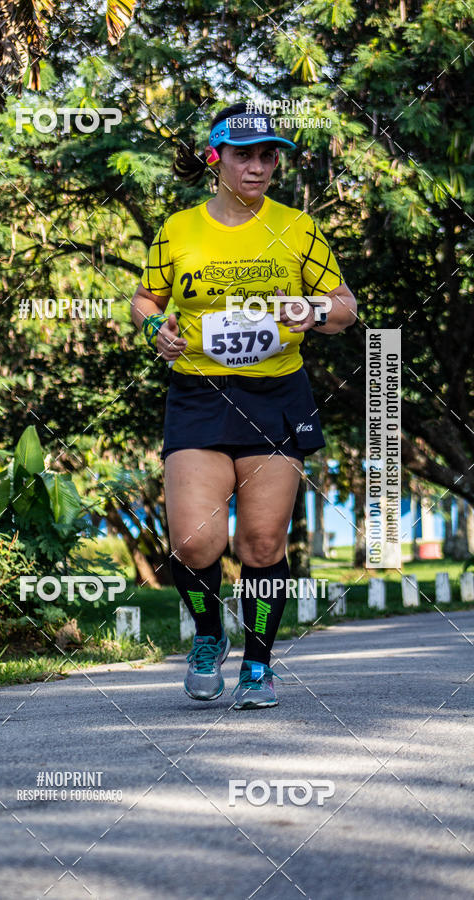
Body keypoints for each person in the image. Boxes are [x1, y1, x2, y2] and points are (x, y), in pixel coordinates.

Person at [130, 101, 357, 709]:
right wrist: (157, 330)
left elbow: (344, 305)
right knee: (194, 542)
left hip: (278, 394)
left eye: (268, 156)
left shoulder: (298, 228)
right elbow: (146, 299)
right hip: (200, 392)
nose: (257, 167)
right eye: (243, 155)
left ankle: (258, 666)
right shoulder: (178, 230)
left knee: (260, 543)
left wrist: (312, 311)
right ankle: (209, 635)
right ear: (216, 158)